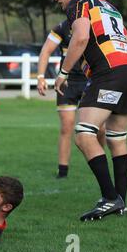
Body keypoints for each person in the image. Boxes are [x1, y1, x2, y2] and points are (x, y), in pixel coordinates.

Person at [52, 0, 127, 221]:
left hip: (109, 73)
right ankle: (120, 202)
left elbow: (80, 37)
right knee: (117, 139)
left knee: (84, 134)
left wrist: (63, 72)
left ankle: (110, 198)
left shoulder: (78, 3)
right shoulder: (109, 6)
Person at [37, 20, 90, 178]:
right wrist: (40, 77)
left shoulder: (93, 24)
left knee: (98, 129)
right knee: (67, 126)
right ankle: (63, 171)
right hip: (67, 82)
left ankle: (98, 161)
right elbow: (46, 50)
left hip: (91, 81)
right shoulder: (62, 27)